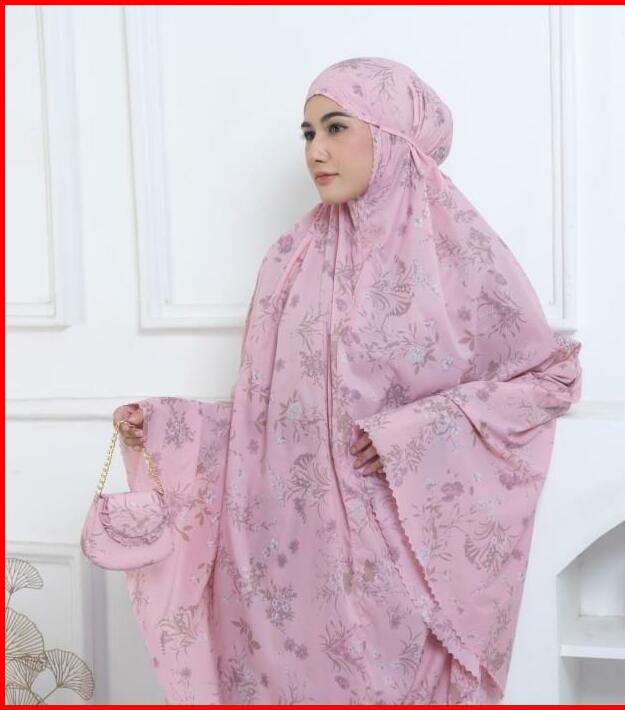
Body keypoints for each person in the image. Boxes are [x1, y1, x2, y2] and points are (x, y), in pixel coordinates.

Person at [111, 57, 582, 704]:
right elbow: (262, 421)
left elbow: (549, 378)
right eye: (308, 133)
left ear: (392, 138)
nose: (316, 151)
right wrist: (165, 425)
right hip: (287, 568)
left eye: (336, 128)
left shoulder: (460, 256)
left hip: (398, 564)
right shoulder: (288, 259)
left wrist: (415, 431)